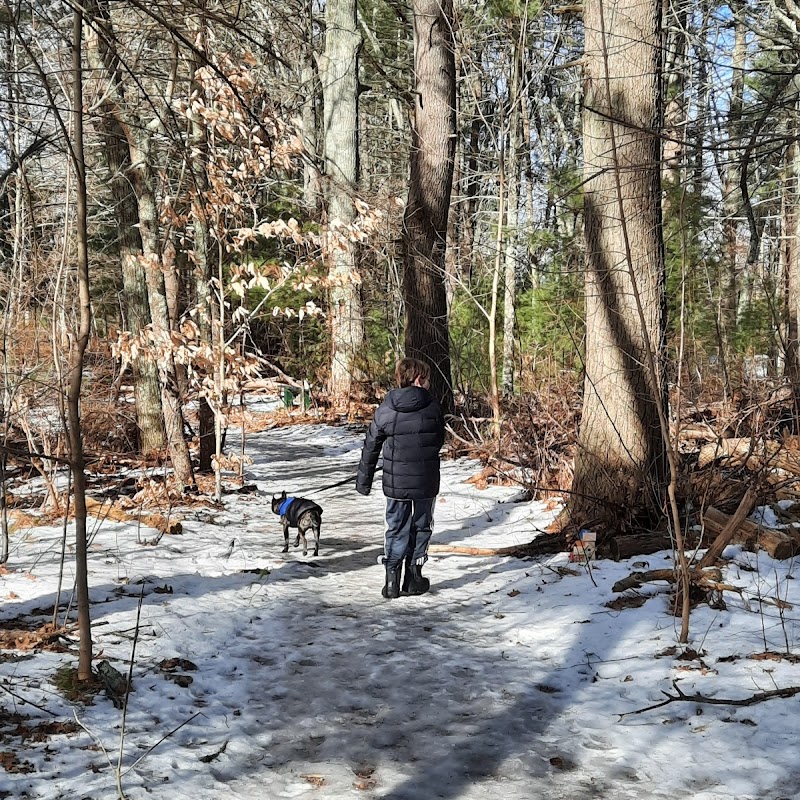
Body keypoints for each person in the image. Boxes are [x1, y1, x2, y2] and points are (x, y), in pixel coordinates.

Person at [356, 357, 445, 599]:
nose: (428, 384)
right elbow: (438, 441)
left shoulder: (386, 408)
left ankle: (391, 581)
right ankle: (414, 578)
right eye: (426, 379)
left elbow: (371, 446)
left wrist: (363, 482)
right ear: (418, 379)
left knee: (396, 528)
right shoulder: (433, 407)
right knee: (421, 526)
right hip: (426, 481)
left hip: (395, 483)